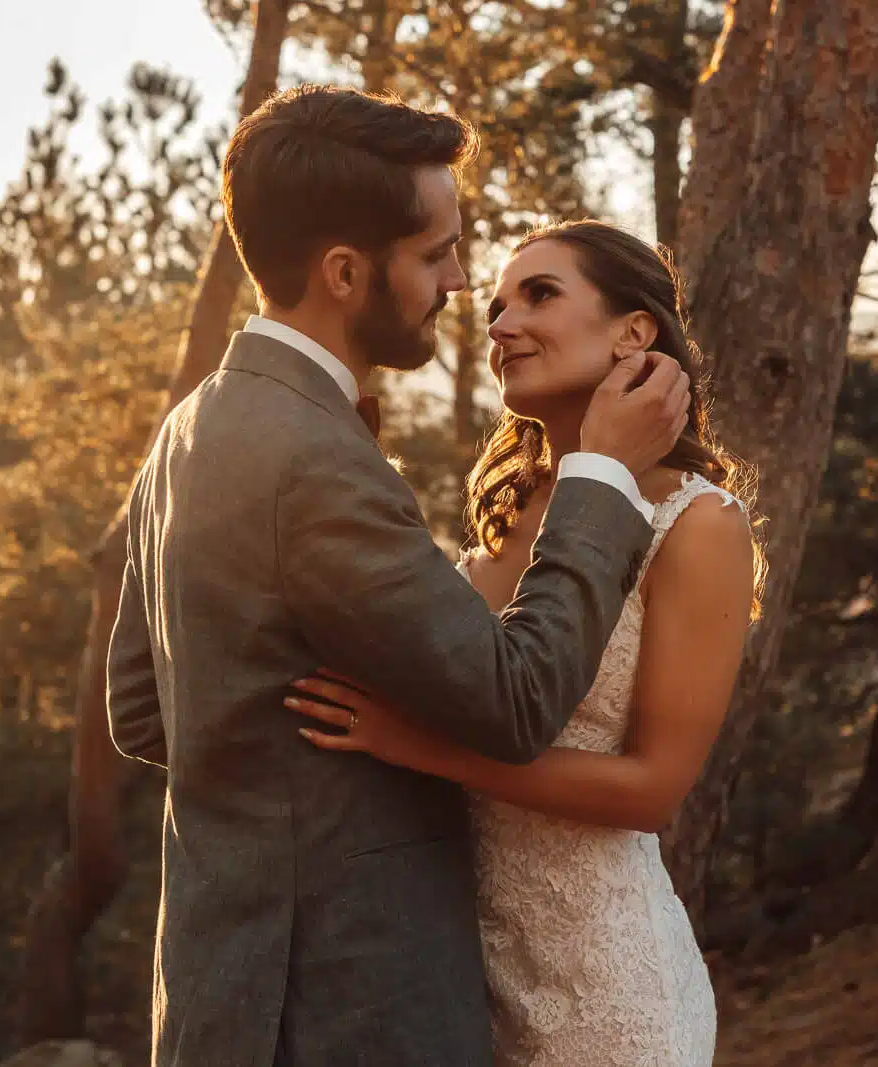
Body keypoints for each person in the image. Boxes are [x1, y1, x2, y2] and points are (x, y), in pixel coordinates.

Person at [104, 87, 691, 1066]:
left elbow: (139, 704)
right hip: (348, 1005)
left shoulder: (192, 425)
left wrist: (284, 783)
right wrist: (604, 472)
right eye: (434, 254)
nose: (462, 282)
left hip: (221, 995)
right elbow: (514, 700)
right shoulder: (311, 456)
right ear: (344, 271)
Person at [287, 220, 761, 1066]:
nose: (500, 323)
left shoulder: (697, 523)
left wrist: (411, 745)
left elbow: (654, 790)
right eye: (498, 305)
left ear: (633, 332)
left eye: (540, 295)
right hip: (467, 987)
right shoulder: (508, 516)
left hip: (607, 1000)